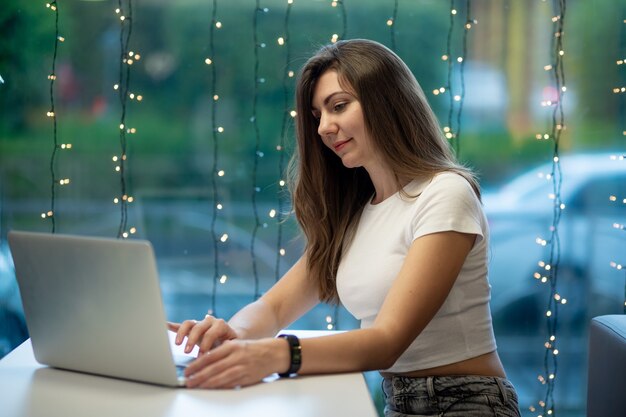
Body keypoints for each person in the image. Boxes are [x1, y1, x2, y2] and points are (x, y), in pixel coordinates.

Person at [169, 39, 521, 416]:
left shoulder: (446, 193)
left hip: (469, 402)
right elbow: (272, 307)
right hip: (398, 403)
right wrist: (236, 336)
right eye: (318, 115)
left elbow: (386, 342)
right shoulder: (355, 213)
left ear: (387, 102)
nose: (323, 127)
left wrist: (275, 354)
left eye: (338, 106)